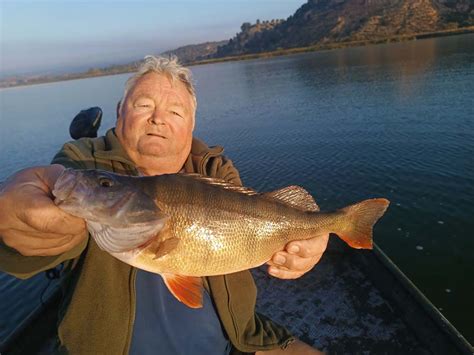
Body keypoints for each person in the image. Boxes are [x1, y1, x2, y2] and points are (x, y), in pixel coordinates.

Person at [0, 56, 329, 354]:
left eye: (175, 111)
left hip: (239, 339)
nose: (158, 118)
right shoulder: (84, 162)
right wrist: (16, 231)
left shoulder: (216, 170)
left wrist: (313, 234)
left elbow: (267, 221)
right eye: (144, 105)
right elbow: (34, 235)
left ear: (191, 124)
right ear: (119, 112)